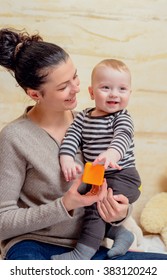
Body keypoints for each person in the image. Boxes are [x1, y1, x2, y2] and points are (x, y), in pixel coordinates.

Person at [0, 28, 167, 261]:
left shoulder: (94, 122)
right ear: (35, 94)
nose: (77, 88)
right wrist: (65, 204)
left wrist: (119, 213)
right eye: (63, 87)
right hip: (35, 246)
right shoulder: (14, 137)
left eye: (75, 77)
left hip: (91, 245)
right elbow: (2, 222)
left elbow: (117, 181)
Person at [51, 59, 141, 260]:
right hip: (96, 174)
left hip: (122, 175)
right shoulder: (83, 117)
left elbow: (123, 137)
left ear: (129, 94)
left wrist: (111, 154)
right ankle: (121, 234)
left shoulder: (122, 117)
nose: (114, 94)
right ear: (92, 92)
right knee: (83, 203)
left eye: (122, 89)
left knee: (96, 208)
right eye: (106, 88)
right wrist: (66, 159)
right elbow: (71, 138)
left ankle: (82, 253)